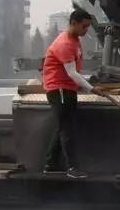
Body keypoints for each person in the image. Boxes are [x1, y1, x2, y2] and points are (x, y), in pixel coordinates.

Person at [41, 9, 96, 178]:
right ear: (73, 23)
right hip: (59, 90)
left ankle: (49, 165)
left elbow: (75, 72)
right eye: (84, 26)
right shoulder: (64, 44)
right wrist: (92, 88)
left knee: (62, 128)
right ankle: (72, 168)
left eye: (88, 27)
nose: (86, 30)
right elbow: (72, 73)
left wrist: (86, 82)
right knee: (67, 129)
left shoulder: (75, 40)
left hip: (67, 88)